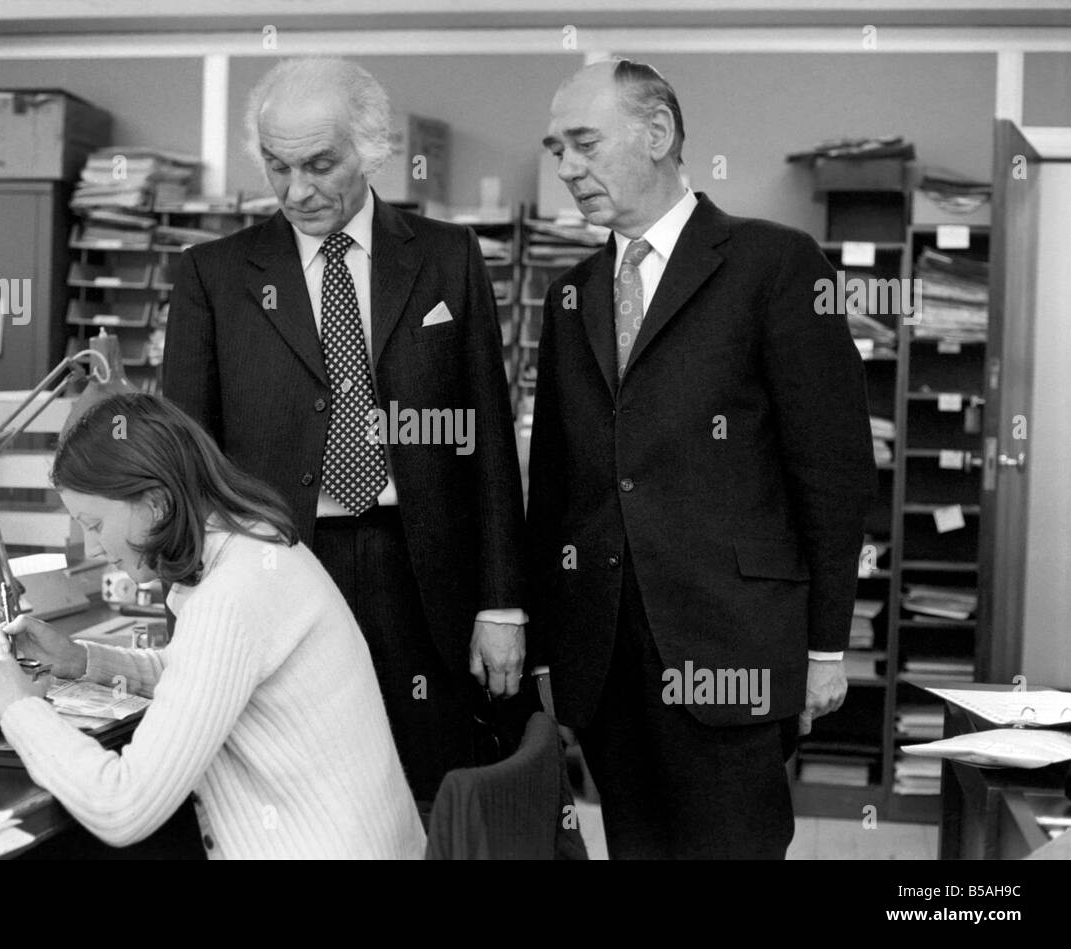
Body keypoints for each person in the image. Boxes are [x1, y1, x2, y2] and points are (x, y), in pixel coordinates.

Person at [528, 60, 877, 858]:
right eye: (557, 149)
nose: (567, 168)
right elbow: (554, 480)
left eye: (584, 143)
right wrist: (548, 642)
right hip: (606, 659)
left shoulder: (776, 264)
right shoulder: (571, 293)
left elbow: (833, 470)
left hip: (734, 651)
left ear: (657, 134)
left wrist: (827, 645)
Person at [162, 57, 529, 803]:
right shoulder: (213, 275)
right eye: (277, 166)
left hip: (422, 574)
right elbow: (184, 460)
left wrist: (501, 603)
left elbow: (488, 441)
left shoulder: (447, 258)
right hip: (279, 570)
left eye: (320, 165)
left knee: (431, 790)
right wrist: (189, 595)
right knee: (302, 791)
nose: (297, 191)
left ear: (371, 150)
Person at [0, 393, 426, 859]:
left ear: (155, 503)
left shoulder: (231, 594)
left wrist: (14, 708)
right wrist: (82, 660)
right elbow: (201, 676)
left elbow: (122, 807)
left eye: (93, 524)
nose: (92, 547)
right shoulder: (253, 549)